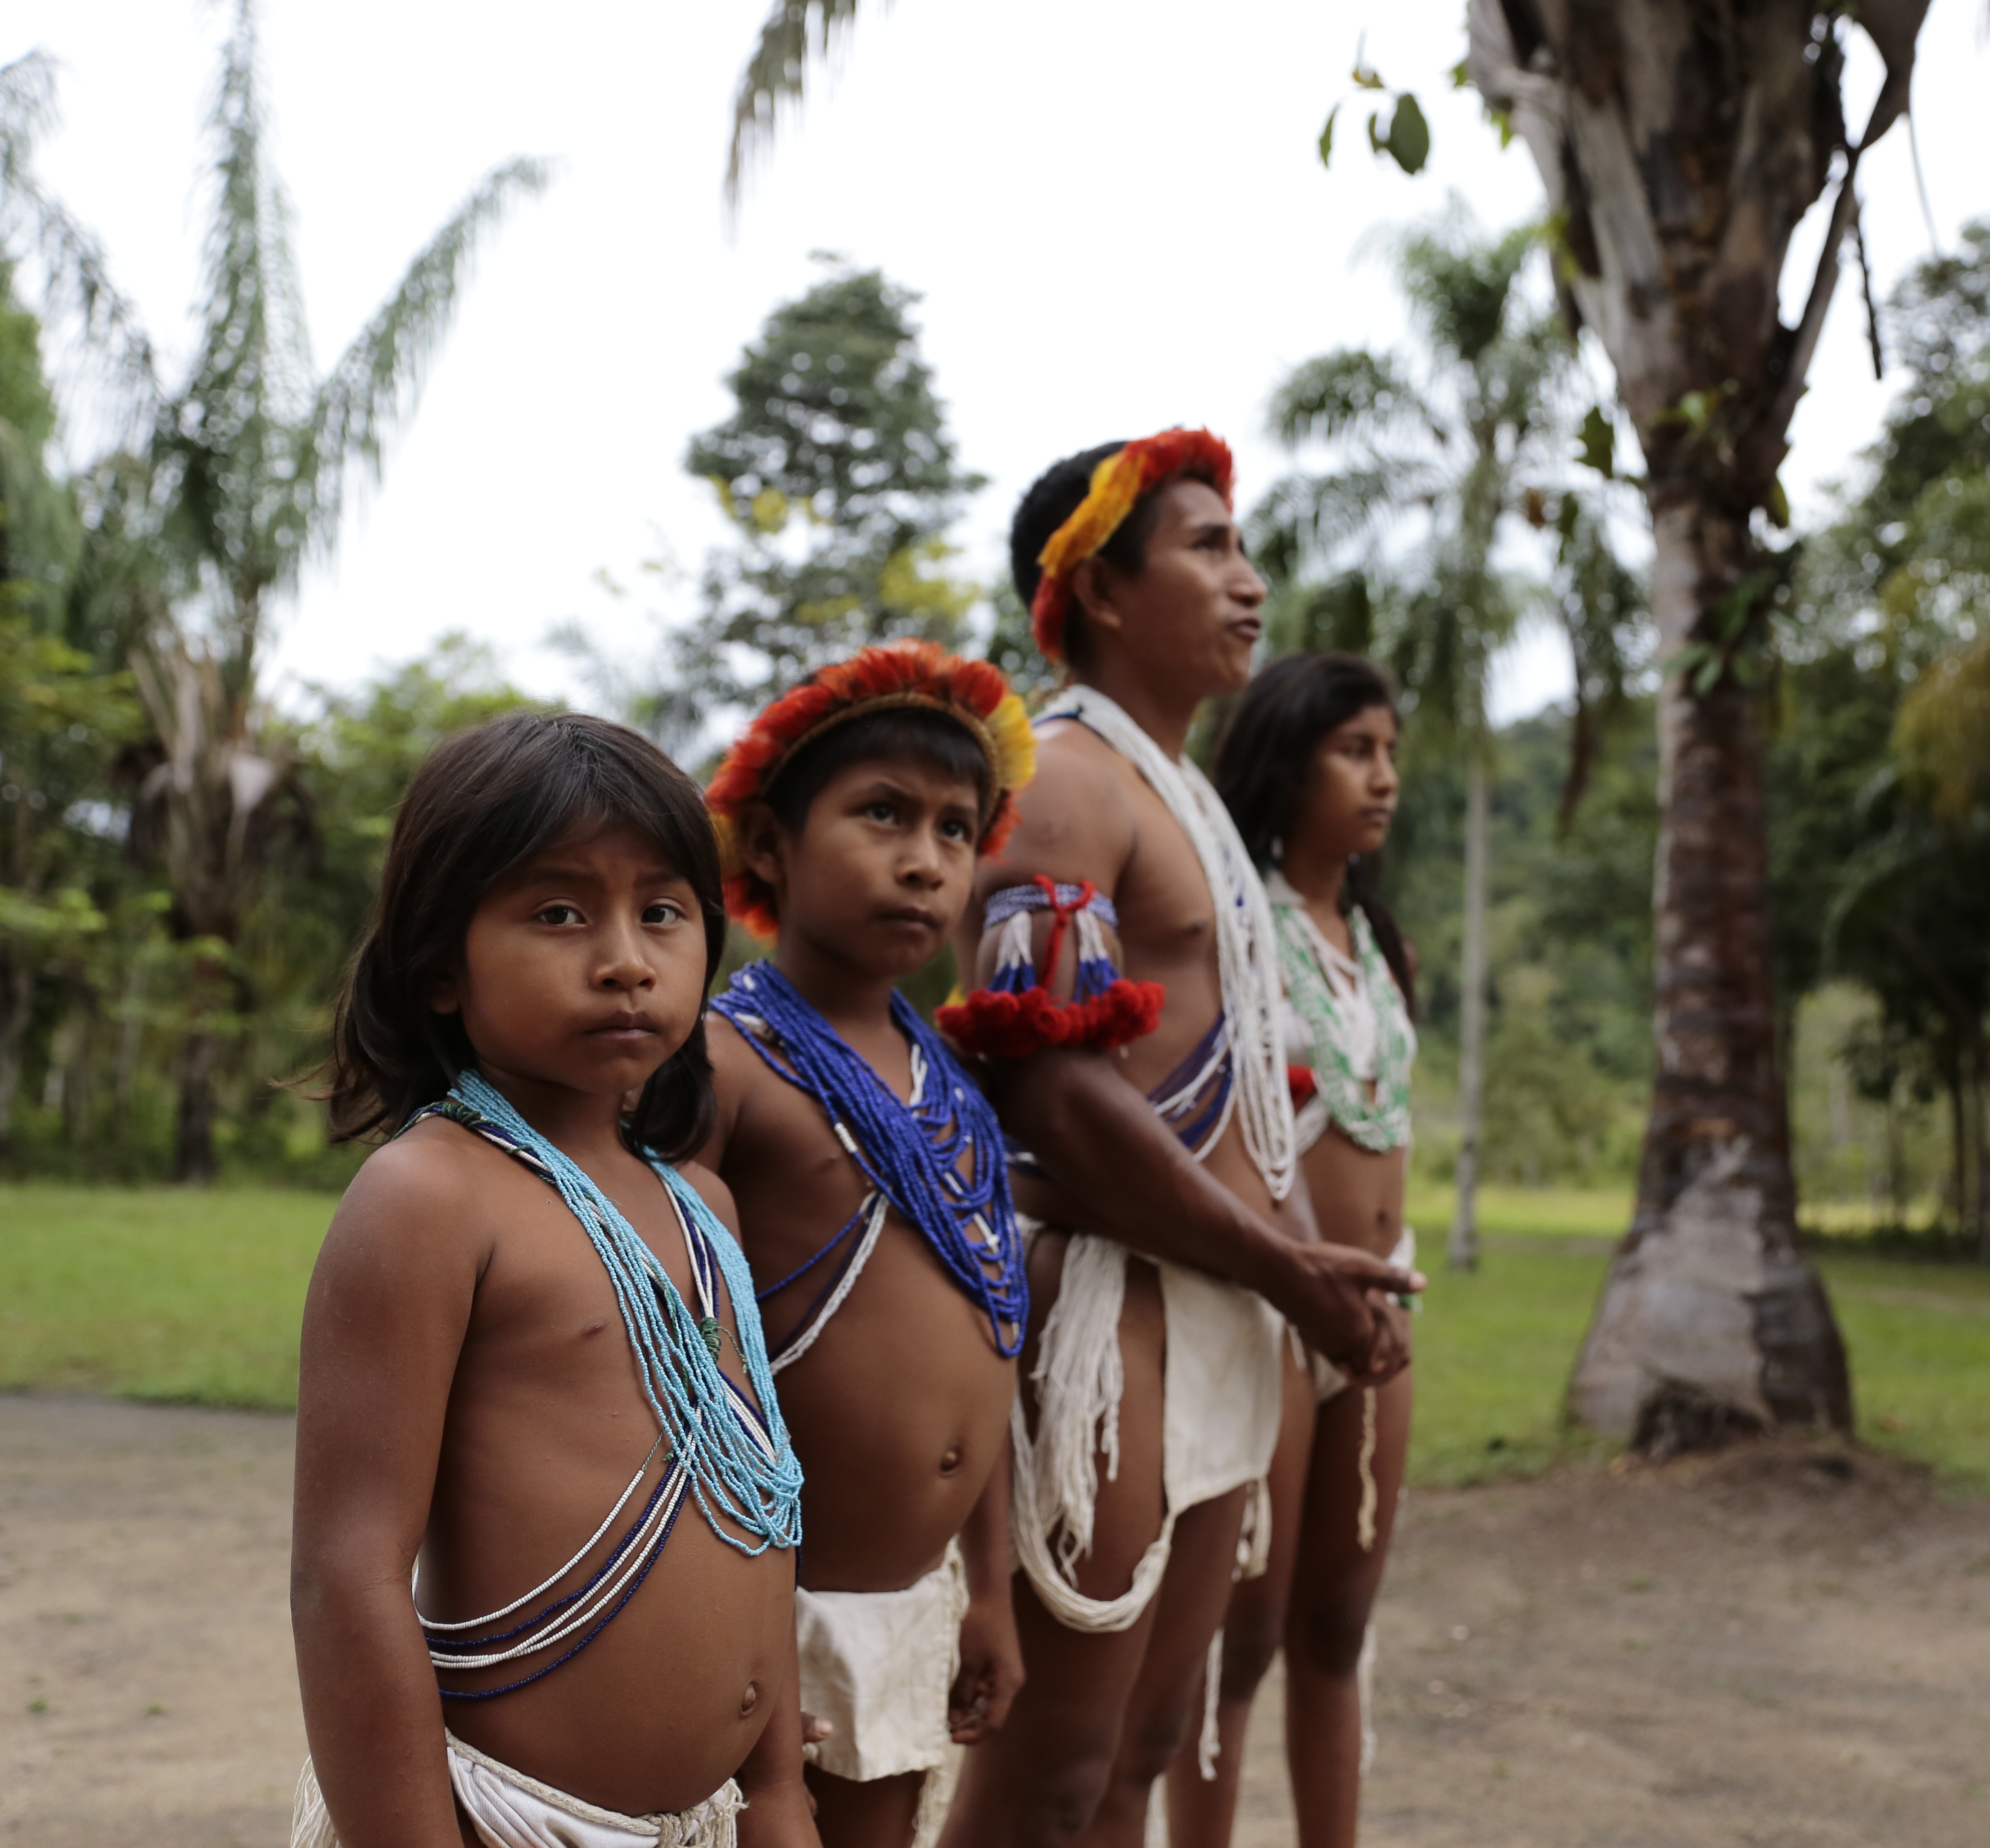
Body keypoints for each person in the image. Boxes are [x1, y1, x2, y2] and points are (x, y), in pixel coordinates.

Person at [932, 430, 1424, 1848]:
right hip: (1115, 1308)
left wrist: (1293, 1273)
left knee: (1145, 1748)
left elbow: (1230, 1088)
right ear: (1097, 587)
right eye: (1209, 548)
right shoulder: (1066, 779)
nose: (1249, 581)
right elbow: (1047, 1091)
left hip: (1219, 1306)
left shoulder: (1181, 794)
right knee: (1054, 1774)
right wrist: (1286, 1265)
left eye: (1243, 547)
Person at [291, 710, 812, 1848]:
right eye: (560, 913)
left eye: (662, 912)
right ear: (440, 965)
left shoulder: (704, 1205)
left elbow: (759, 1501)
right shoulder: (431, 1196)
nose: (625, 959)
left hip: (713, 1819)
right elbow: (347, 1575)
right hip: (512, 1821)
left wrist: (777, 1791)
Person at [695, 640, 1039, 1848]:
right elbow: (663, 1362)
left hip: (913, 1599)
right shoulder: (724, 1066)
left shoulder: (950, 1086)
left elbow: (991, 1335)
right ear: (770, 844)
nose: (925, 859)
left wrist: (988, 1589)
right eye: (883, 814)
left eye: (956, 830)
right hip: (764, 1605)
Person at [1167, 653, 1421, 1848]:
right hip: (1275, 1303)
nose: (1383, 778)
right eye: (1354, 751)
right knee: (1243, 1632)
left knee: (1339, 1625)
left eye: (1390, 752)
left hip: (1384, 1301)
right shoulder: (1234, 928)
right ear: (1286, 764)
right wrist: (1305, 1271)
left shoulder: (1373, 939)